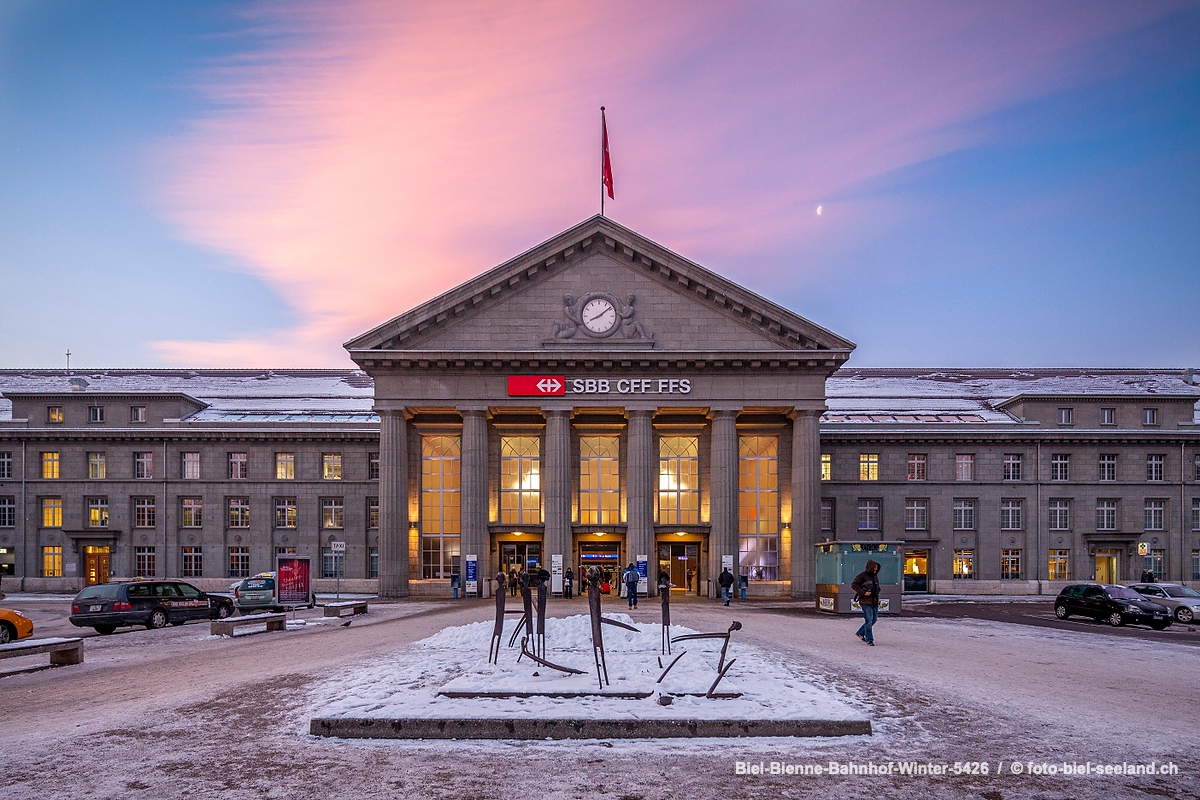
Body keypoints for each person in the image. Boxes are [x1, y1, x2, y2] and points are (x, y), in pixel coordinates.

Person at [851, 559, 882, 646]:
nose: (875, 569)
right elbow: (854, 585)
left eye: (877, 568)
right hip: (865, 601)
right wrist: (863, 592)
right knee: (869, 620)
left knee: (874, 619)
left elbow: (876, 586)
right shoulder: (862, 576)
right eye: (874, 568)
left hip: (874, 600)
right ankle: (869, 639)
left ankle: (860, 632)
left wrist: (877, 590)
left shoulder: (875, 576)